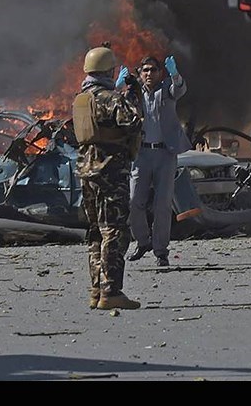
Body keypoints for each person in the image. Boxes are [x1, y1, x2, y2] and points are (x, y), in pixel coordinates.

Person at [72, 46, 143, 310]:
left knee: (95, 233)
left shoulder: (81, 99)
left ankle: (96, 289)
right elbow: (134, 123)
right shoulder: (111, 98)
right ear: (108, 71)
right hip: (110, 171)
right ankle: (111, 291)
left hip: (86, 171)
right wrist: (132, 96)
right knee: (114, 230)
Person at [118, 55, 191, 267]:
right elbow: (119, 107)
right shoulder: (134, 93)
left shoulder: (167, 88)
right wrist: (118, 87)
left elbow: (180, 89)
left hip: (165, 154)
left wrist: (175, 74)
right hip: (141, 155)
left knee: (162, 205)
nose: (149, 74)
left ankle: (161, 251)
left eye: (153, 70)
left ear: (160, 73)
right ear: (140, 74)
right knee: (134, 201)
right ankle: (142, 242)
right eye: (145, 70)